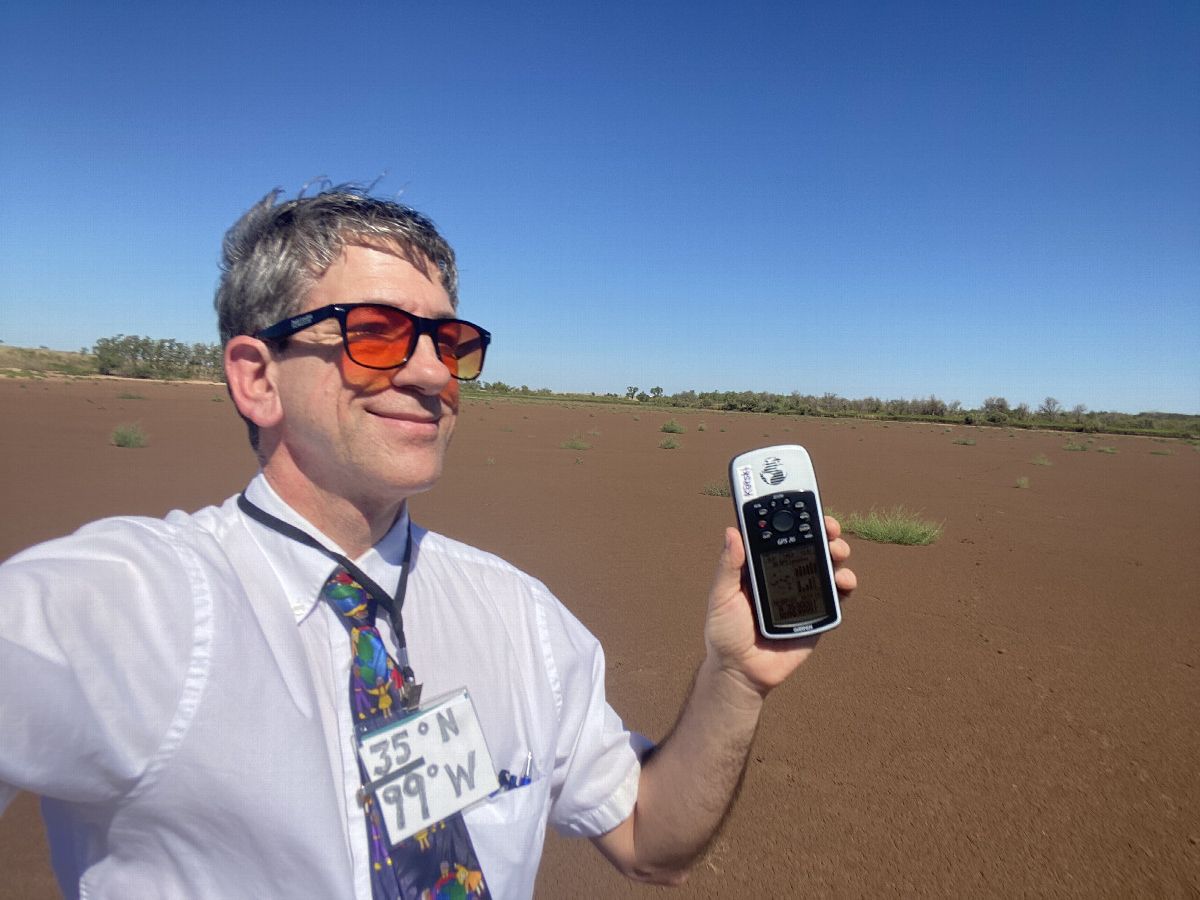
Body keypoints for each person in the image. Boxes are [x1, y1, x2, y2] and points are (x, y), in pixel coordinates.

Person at [0, 187, 856, 899]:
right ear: (258, 378)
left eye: (448, 342)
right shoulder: (130, 604)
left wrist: (735, 679)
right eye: (374, 333)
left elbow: (648, 839)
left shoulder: (518, 617)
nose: (427, 373)